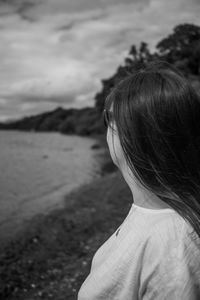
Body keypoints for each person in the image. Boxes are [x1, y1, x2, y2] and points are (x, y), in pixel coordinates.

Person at [77, 61, 200, 300]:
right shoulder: (156, 212)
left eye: (109, 120)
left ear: (134, 132)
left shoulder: (173, 247)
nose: (107, 129)